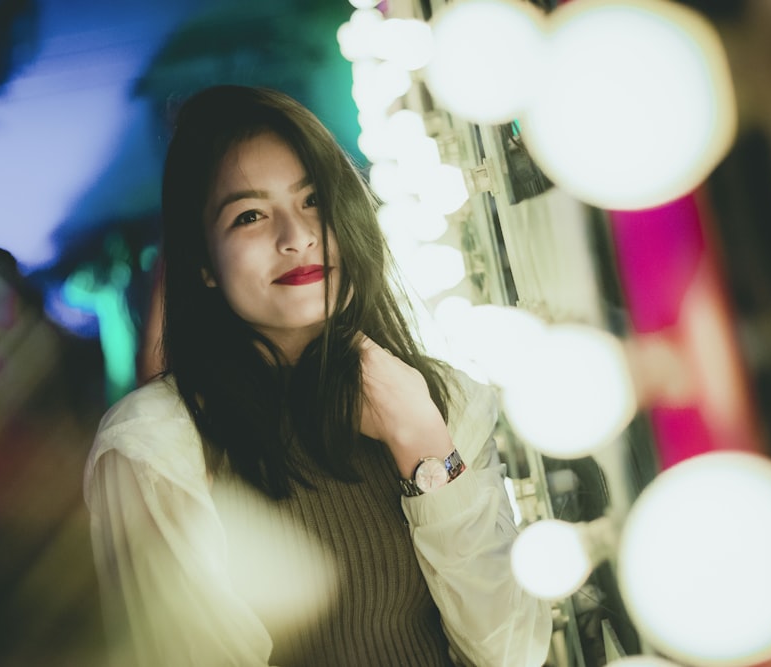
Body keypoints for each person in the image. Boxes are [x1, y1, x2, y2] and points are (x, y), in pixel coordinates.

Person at [83, 85, 553, 667]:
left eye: (313, 200)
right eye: (250, 215)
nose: (296, 235)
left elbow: (513, 653)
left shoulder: (440, 401)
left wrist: (425, 448)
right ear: (202, 263)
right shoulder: (156, 448)